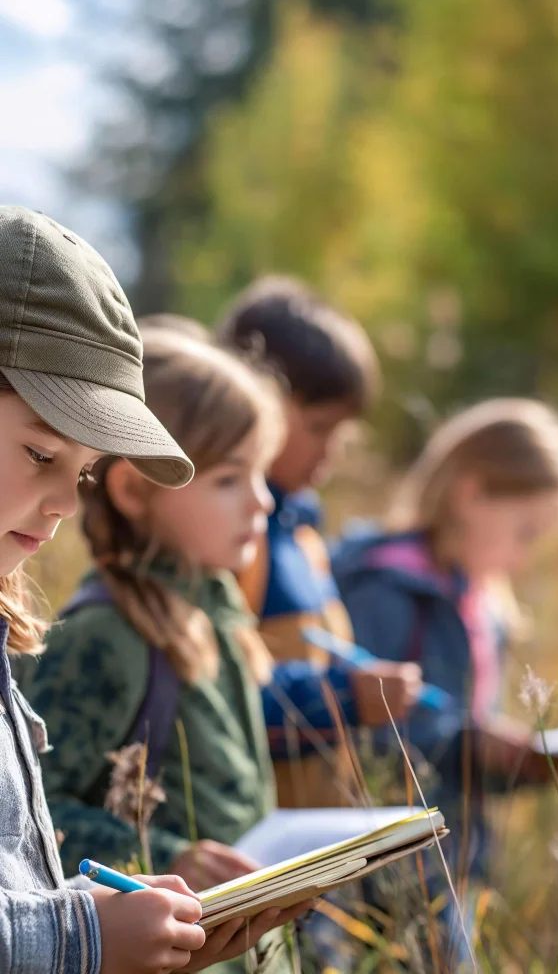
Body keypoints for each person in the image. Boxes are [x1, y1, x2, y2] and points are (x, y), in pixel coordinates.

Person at [24, 329, 415, 972]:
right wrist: (168, 854)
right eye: (231, 478)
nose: (262, 501)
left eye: (261, 474)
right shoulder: (105, 637)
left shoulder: (216, 619)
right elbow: (28, 824)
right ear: (134, 491)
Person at [0, 206, 307, 974]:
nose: (67, 501)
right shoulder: (103, 636)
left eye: (79, 471)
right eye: (40, 452)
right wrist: (86, 938)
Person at [332, 397, 558, 962]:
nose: (526, 558)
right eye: (525, 532)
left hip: (458, 858)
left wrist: (517, 763)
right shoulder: (386, 590)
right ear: (471, 493)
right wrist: (469, 744)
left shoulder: (480, 602)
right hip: (388, 866)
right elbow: (358, 729)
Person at [217, 275, 420, 810]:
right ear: (252, 399)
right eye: (319, 426)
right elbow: (217, 700)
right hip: (260, 849)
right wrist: (344, 698)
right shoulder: (234, 541)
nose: (332, 451)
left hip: (318, 841)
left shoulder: (305, 536)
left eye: (344, 433)